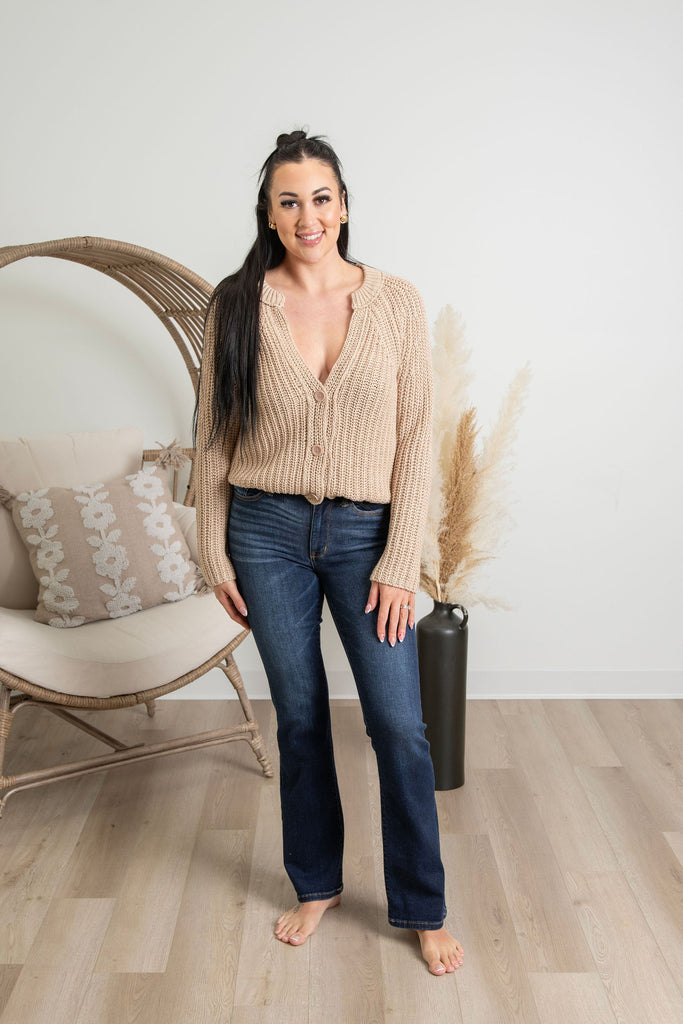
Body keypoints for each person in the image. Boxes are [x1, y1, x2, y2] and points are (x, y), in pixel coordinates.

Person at [194, 130, 464, 976]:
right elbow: (212, 438)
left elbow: (415, 439)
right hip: (263, 534)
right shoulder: (236, 303)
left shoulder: (395, 301)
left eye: (320, 197)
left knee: (398, 726)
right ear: (269, 215)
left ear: (342, 206)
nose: (307, 215)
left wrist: (399, 562)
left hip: (365, 537)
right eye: (289, 201)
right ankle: (315, 884)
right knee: (302, 717)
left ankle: (420, 905)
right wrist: (214, 553)